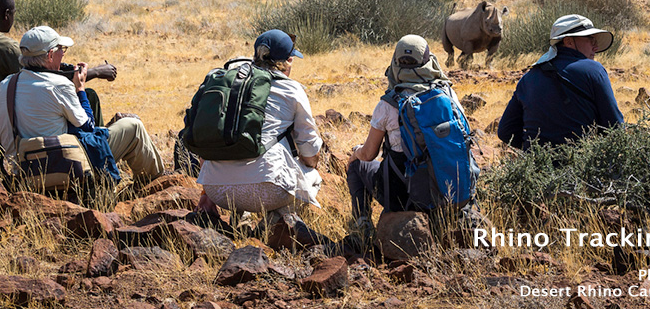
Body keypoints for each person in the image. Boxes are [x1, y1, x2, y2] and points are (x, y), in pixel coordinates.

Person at [0, 0, 117, 143]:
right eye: (13, 14)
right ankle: (99, 152)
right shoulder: (4, 47)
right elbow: (44, 80)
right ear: (6, 15)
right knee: (89, 96)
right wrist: (94, 72)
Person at [194, 30, 323, 234]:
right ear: (287, 61)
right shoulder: (292, 90)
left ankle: (241, 216)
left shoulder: (233, 83)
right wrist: (309, 163)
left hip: (215, 189)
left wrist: (209, 188)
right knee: (313, 177)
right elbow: (309, 152)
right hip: (266, 191)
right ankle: (270, 225)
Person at [0, 26, 164, 180]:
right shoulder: (59, 85)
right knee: (133, 127)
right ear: (50, 55)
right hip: (65, 168)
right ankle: (153, 183)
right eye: (61, 49)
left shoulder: (6, 85)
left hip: (25, 170)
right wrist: (80, 89)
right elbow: (88, 126)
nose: (63, 54)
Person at [346, 34, 466, 241]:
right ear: (429, 61)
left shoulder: (388, 104)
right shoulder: (448, 95)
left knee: (357, 166)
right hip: (446, 191)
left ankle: (362, 224)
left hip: (402, 196)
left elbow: (368, 154)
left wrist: (355, 152)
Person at [498, 14, 623, 149]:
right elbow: (615, 126)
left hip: (537, 168)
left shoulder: (528, 78)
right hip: (581, 166)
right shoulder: (594, 70)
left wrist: (535, 152)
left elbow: (505, 131)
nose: (595, 47)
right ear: (569, 41)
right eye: (590, 40)